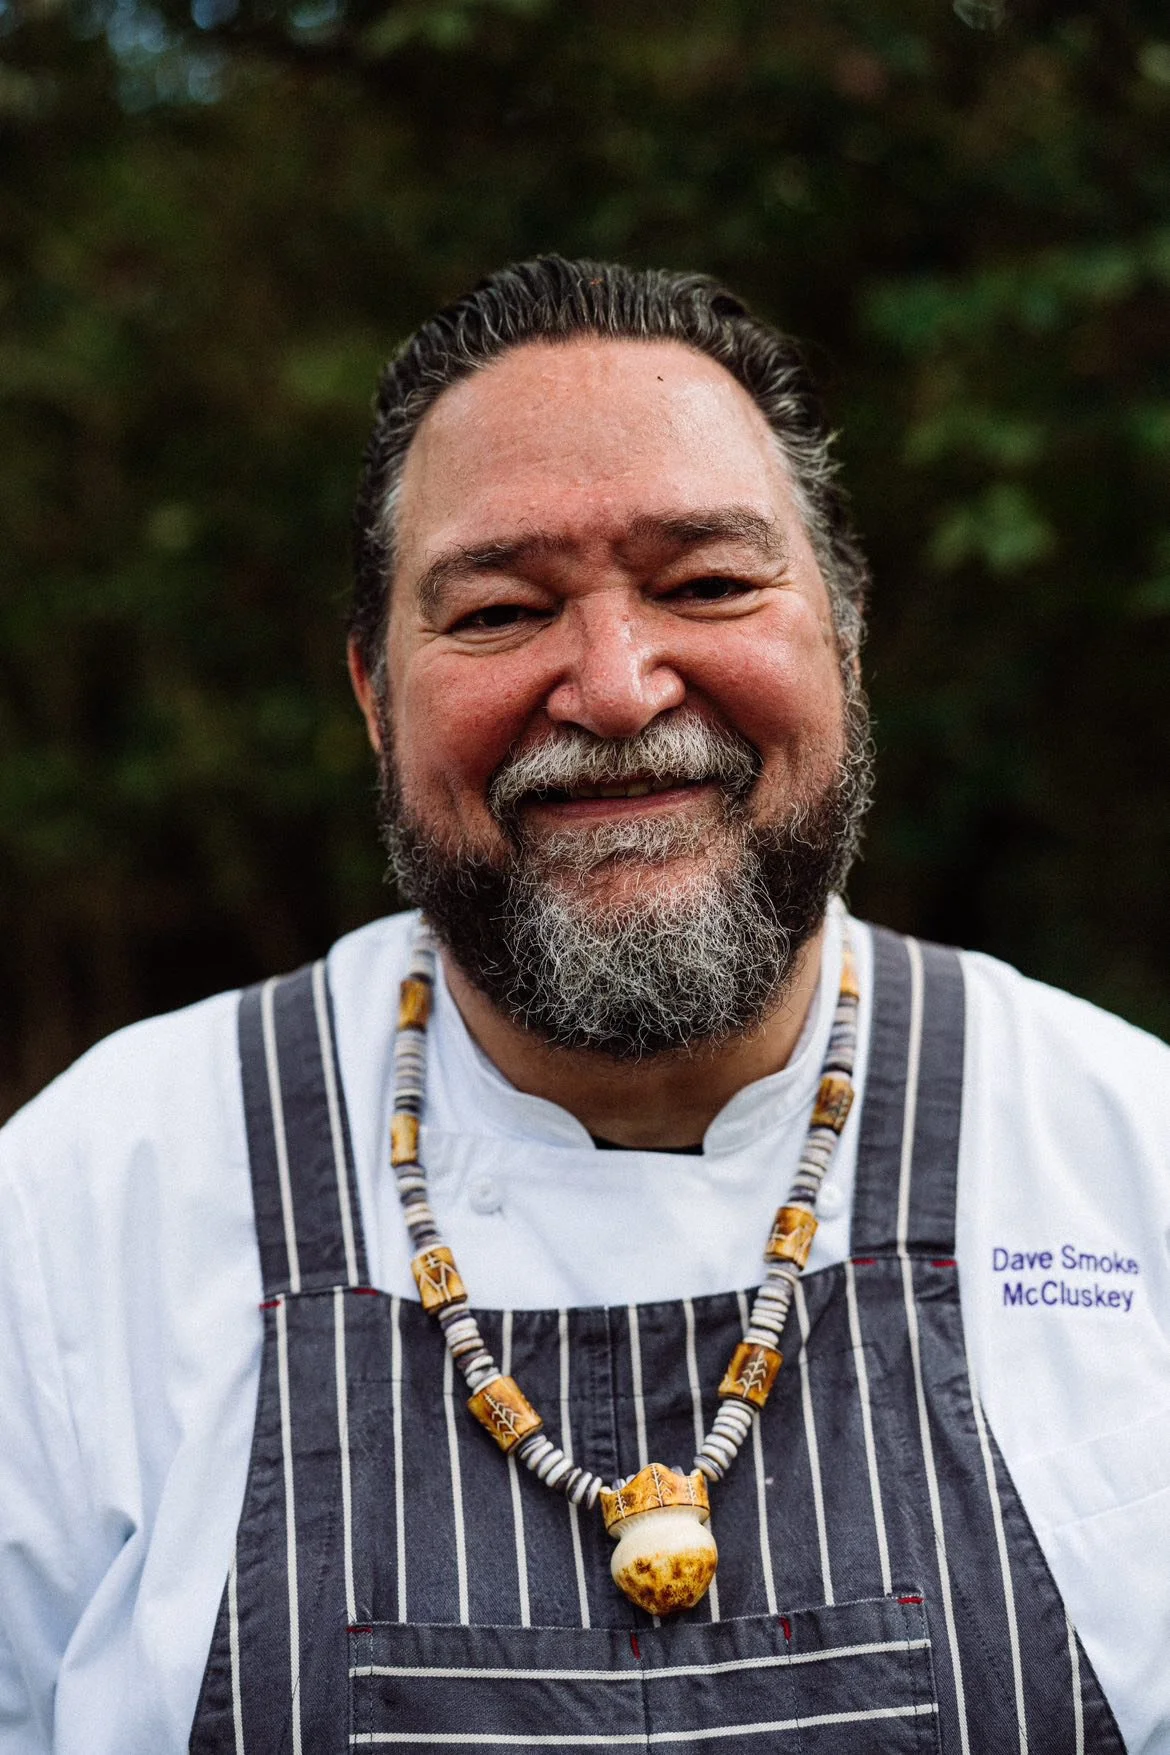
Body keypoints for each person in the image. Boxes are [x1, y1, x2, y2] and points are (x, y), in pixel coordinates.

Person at [0, 257, 1167, 1755]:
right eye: (501, 609)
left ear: (848, 637)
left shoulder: (1122, 1152)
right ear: (373, 696)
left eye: (708, 584)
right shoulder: (88, 1202)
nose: (616, 689)